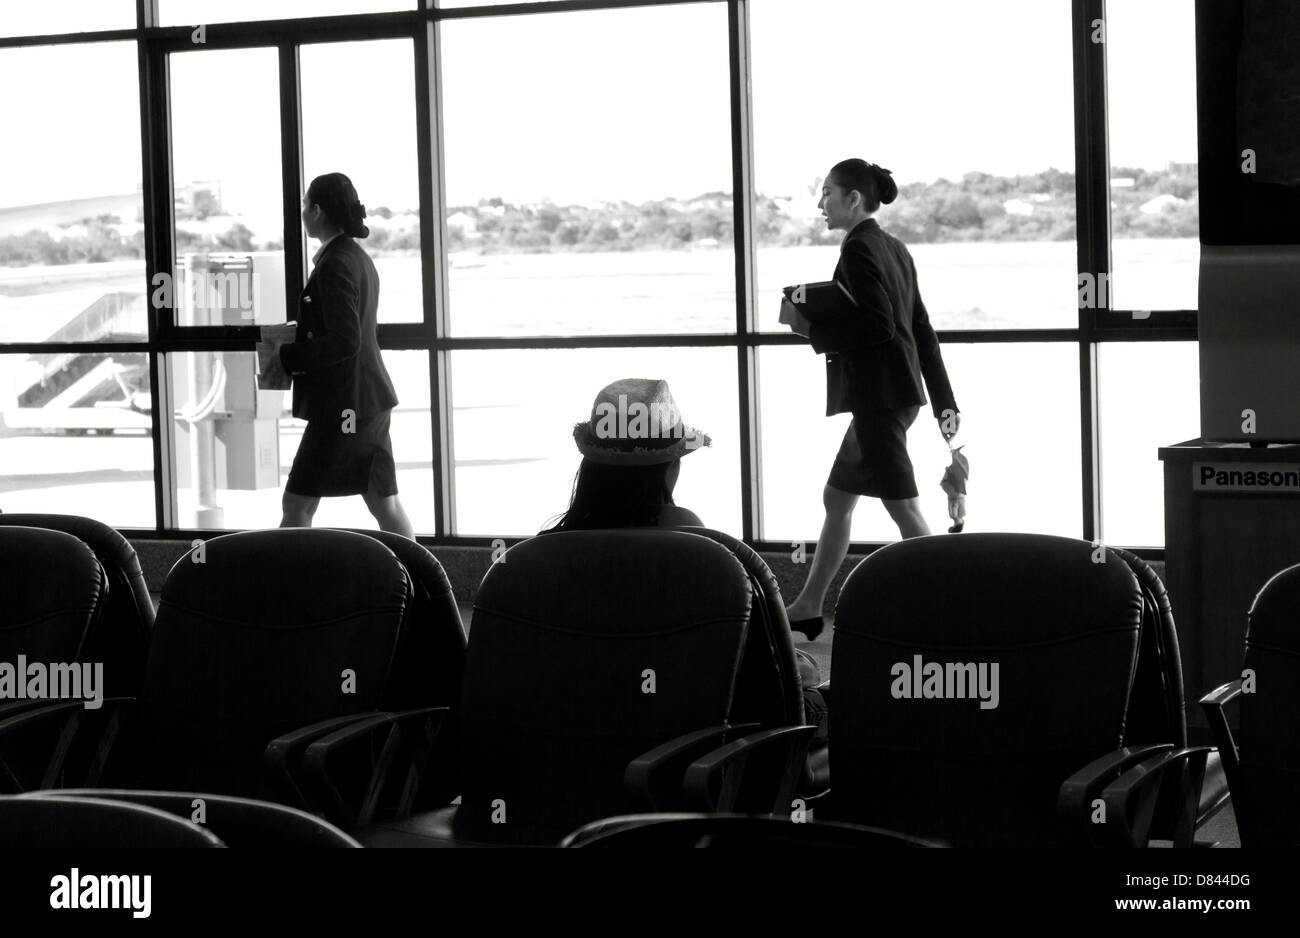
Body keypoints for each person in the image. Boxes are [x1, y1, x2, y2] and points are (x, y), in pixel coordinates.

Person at [546, 377, 826, 730]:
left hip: (578, 742)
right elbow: (764, 669)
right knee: (835, 694)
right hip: (690, 745)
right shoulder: (703, 554)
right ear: (669, 469)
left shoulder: (544, 555)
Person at [781, 159, 961, 640]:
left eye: (827, 193)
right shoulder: (895, 248)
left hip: (881, 398)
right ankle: (808, 605)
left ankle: (961, 607)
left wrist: (810, 328)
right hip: (896, 394)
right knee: (837, 497)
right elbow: (921, 330)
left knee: (905, 511)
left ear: (852, 198)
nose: (821, 204)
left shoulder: (859, 249)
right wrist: (945, 401)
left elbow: (878, 326)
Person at [265, 172, 414, 538]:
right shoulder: (356, 257)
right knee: (384, 502)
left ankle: (292, 589)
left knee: (298, 503)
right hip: (368, 399)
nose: (302, 213)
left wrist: (287, 356)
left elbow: (345, 340)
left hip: (344, 405)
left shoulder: (334, 264)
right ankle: (422, 584)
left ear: (316, 210)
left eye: (303, 206)